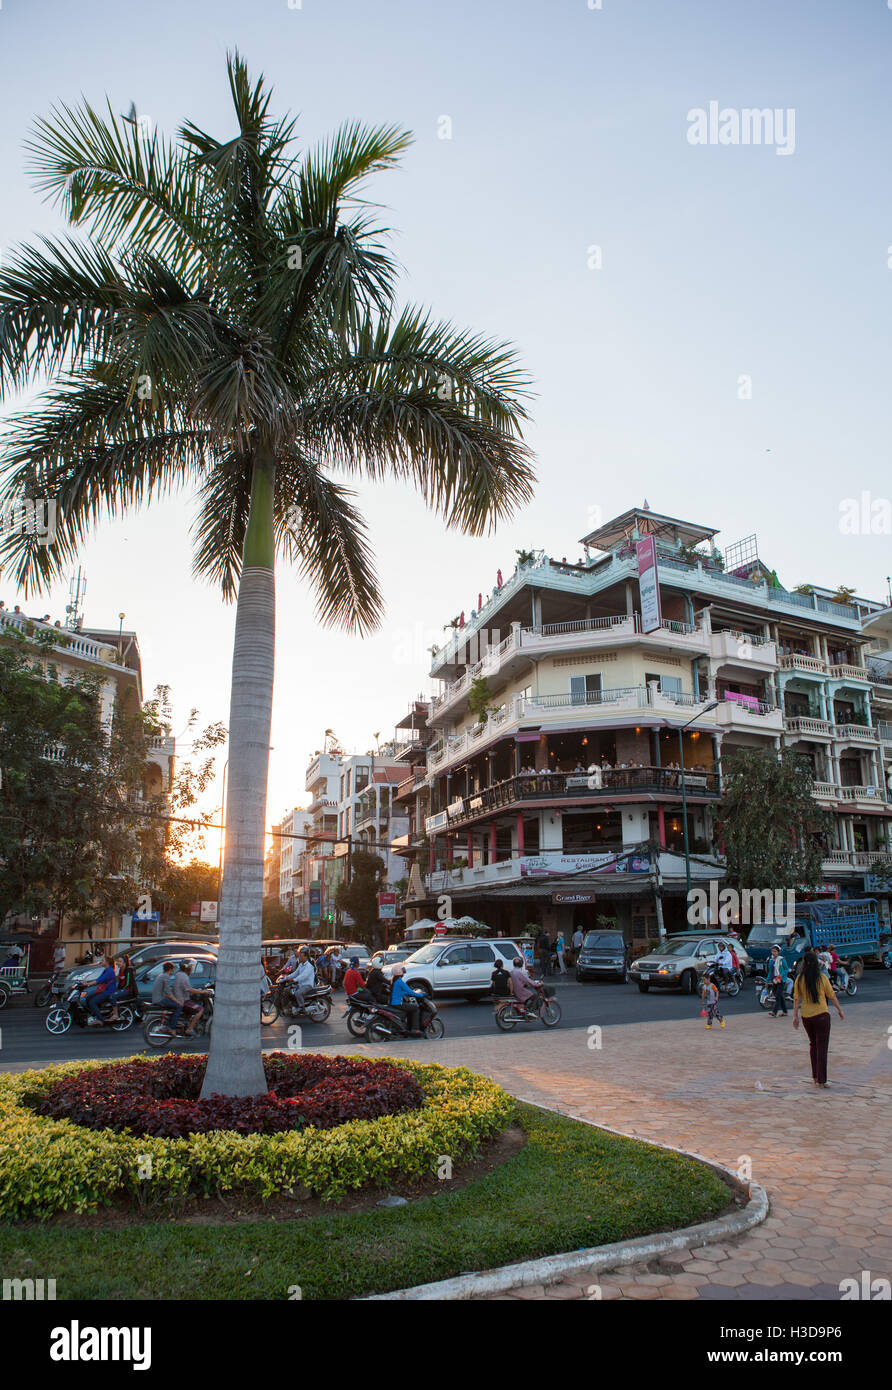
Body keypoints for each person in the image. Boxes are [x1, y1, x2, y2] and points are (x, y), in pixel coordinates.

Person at [793, 948, 844, 1087]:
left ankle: (815, 1077)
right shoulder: (822, 978)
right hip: (821, 1015)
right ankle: (822, 1080)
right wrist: (839, 1010)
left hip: (806, 1016)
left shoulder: (799, 979)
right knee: (822, 1047)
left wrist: (795, 1017)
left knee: (813, 1045)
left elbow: (796, 999)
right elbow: (831, 996)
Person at [389, 964, 425, 1034]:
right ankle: (415, 1029)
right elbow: (410, 992)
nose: (403, 972)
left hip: (392, 1002)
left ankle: (408, 1026)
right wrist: (421, 995)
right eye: (402, 970)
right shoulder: (400, 982)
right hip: (398, 1003)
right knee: (415, 1008)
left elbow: (398, 992)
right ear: (399, 972)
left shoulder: (394, 980)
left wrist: (405, 993)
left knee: (410, 1008)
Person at [85, 954, 117, 1025]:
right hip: (104, 991)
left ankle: (100, 1020)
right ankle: (95, 1014)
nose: (101, 961)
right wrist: (86, 982)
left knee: (92, 1002)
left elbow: (99, 980)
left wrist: (87, 984)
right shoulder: (106, 970)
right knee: (88, 998)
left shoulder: (109, 971)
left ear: (107, 962)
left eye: (103, 960)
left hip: (108, 992)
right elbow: (98, 979)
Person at [107, 952, 136, 1022]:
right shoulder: (120, 970)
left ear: (124, 963)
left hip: (127, 990)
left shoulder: (128, 970)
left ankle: (115, 1014)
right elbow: (120, 982)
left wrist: (119, 990)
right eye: (117, 961)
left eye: (120, 961)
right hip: (123, 989)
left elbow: (128, 983)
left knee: (112, 996)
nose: (117, 963)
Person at [768, 944, 789, 1017]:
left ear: (778, 952)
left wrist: (781, 974)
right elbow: (770, 971)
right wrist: (767, 981)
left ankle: (774, 1011)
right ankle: (785, 1011)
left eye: (775, 951)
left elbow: (786, 969)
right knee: (779, 995)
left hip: (781, 980)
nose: (773, 953)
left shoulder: (781, 960)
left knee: (778, 996)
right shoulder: (771, 961)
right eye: (772, 951)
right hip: (775, 980)